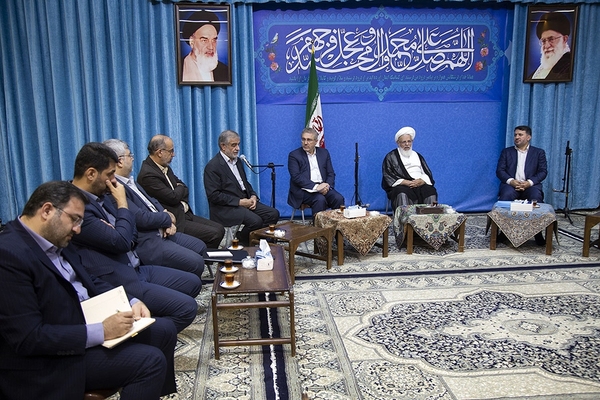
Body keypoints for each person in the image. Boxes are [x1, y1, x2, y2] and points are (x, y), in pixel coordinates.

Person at [0, 181, 178, 399]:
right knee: (150, 362)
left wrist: (130, 301)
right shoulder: (9, 255)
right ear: (47, 211)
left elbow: (89, 280)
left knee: (165, 329)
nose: (78, 229)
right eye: (74, 219)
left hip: (85, 322)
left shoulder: (56, 238)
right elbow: (29, 338)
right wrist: (101, 331)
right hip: (49, 359)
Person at [70, 142, 200, 333]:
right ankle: (151, 336)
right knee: (187, 308)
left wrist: (120, 228)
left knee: (193, 283)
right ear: (91, 174)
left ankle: (152, 321)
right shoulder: (77, 206)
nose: (113, 179)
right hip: (117, 279)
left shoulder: (101, 195)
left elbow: (131, 233)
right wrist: (122, 205)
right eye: (109, 174)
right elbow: (122, 241)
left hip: (136, 265)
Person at [104, 139, 207, 280]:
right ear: (120, 161)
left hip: (163, 229)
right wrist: (167, 218)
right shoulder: (115, 187)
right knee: (196, 263)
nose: (133, 158)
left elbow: (153, 201)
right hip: (150, 240)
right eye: (130, 155)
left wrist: (165, 216)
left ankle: (185, 280)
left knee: (200, 246)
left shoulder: (130, 181)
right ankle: (183, 283)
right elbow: (140, 218)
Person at [137, 134, 225, 248]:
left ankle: (202, 254)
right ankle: (200, 255)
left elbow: (183, 187)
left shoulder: (164, 166)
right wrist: (179, 188)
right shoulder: (148, 174)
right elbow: (173, 197)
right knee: (214, 233)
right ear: (160, 152)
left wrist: (179, 189)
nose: (173, 154)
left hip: (184, 213)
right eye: (171, 151)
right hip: (175, 220)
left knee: (220, 229)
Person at [203, 130, 280, 246]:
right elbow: (214, 195)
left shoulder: (238, 161)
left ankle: (251, 240)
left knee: (273, 214)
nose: (238, 148)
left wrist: (253, 196)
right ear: (223, 146)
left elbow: (245, 183)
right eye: (233, 145)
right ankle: (244, 243)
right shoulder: (212, 166)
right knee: (256, 221)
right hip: (225, 207)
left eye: (238, 144)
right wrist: (239, 202)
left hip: (245, 201)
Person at [496, 125, 548, 245]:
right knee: (506, 195)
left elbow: (543, 172)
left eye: (520, 135)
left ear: (528, 137)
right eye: (515, 135)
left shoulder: (538, 152)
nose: (517, 137)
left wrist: (528, 183)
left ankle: (537, 232)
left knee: (536, 196)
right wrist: (511, 181)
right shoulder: (506, 152)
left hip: (530, 186)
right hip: (511, 185)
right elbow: (500, 171)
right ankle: (503, 231)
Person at [287, 127, 344, 216]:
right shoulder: (294, 155)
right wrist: (317, 187)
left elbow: (330, 173)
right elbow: (296, 177)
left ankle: (335, 223)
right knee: (319, 199)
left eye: (309, 140)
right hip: (303, 190)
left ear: (316, 141)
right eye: (303, 139)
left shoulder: (324, 153)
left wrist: (326, 186)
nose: (305, 143)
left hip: (323, 187)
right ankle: (318, 224)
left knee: (338, 198)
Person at [381, 126, 438, 210]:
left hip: (419, 184)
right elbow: (388, 174)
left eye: (409, 141)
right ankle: (404, 217)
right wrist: (405, 182)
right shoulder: (391, 156)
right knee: (402, 193)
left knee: (430, 191)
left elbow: (427, 173)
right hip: (402, 185)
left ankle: (430, 216)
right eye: (404, 142)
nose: (407, 144)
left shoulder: (417, 155)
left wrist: (422, 181)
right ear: (398, 143)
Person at [181, 10, 229, 82]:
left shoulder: (225, 71)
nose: (211, 47)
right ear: (192, 41)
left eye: (214, 40)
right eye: (204, 40)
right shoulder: (177, 68)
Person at [527, 11, 572, 80]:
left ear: (564, 39)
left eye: (551, 39)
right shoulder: (537, 72)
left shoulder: (570, 66)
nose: (547, 45)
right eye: (543, 41)